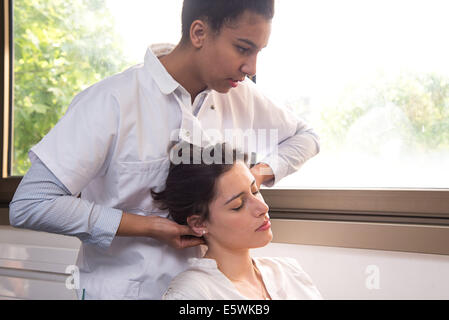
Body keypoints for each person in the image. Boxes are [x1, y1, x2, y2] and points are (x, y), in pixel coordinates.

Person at [9, 0, 320, 299]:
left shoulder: (241, 94)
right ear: (199, 33)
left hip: (211, 290)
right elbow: (32, 203)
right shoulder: (111, 103)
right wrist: (148, 226)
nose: (250, 67)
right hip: (124, 291)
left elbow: (306, 137)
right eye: (242, 48)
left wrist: (250, 178)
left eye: (258, 52)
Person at [156, 143, 323, 300]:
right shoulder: (191, 293)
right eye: (238, 205)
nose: (263, 207)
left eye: (255, 191)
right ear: (199, 224)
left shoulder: (289, 272)